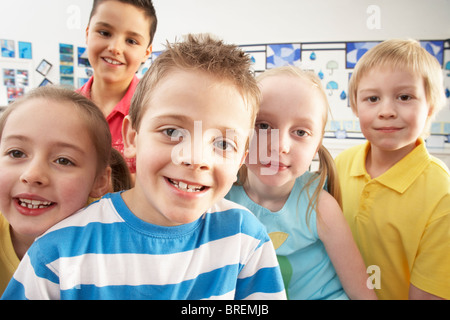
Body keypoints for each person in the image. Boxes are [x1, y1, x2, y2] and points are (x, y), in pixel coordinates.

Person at [2, 34, 286, 300]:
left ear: (240, 159)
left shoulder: (245, 238)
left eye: (223, 144)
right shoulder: (57, 254)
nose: (196, 158)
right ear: (132, 138)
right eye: (173, 132)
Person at [226, 66, 377, 300]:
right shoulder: (222, 195)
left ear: (316, 146)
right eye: (263, 126)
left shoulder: (319, 206)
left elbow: (361, 289)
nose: (280, 146)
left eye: (300, 132)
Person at [335, 39, 450, 300]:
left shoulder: (441, 192)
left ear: (430, 106)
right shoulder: (341, 164)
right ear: (355, 106)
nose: (386, 111)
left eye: (405, 97)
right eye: (372, 98)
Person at [0, 86, 112, 295]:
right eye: (16, 153)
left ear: (99, 181)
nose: (32, 175)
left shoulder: (114, 253)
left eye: (63, 160)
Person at [78, 0, 157, 177]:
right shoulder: (64, 110)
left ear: (146, 52)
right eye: (104, 33)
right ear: (88, 33)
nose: (115, 48)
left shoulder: (155, 113)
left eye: (131, 41)